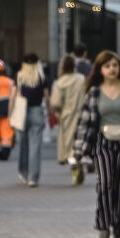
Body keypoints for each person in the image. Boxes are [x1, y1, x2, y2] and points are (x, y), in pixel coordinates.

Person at [73, 51, 120, 238]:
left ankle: (119, 230)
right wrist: (79, 149)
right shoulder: (94, 92)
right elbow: (85, 122)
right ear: (100, 70)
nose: (111, 69)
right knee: (106, 183)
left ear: (119, 68)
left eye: (115, 65)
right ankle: (103, 227)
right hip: (102, 141)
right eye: (107, 66)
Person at [10, 53, 50, 187]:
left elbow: (13, 96)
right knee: (35, 146)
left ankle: (24, 172)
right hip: (37, 111)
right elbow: (47, 96)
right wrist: (49, 111)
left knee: (23, 144)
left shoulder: (19, 76)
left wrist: (10, 114)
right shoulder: (41, 76)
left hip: (22, 112)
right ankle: (33, 178)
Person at [50, 55, 87, 184]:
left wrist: (57, 115)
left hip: (66, 115)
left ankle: (74, 169)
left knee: (69, 144)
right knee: (81, 141)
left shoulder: (60, 82)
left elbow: (55, 103)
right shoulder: (81, 79)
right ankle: (82, 161)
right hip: (82, 114)